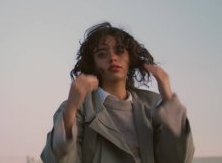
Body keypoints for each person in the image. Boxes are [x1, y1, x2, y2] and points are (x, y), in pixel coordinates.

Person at [41, 22, 194, 163]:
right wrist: (71, 109)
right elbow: (56, 160)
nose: (113, 58)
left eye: (120, 51)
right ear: (93, 64)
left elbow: (179, 159)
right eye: (102, 54)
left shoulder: (153, 106)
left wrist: (168, 99)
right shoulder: (79, 108)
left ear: (131, 58)